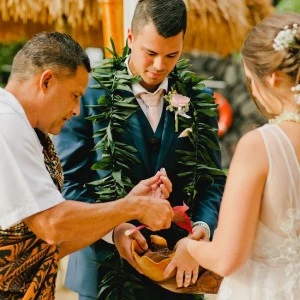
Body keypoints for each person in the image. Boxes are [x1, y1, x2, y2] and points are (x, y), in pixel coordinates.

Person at [53, 0, 226, 299]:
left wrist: (201, 230)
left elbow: (212, 182)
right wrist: (113, 228)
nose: (160, 65)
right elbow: (69, 184)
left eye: (172, 54)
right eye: (151, 53)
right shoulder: (88, 93)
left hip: (178, 274)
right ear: (131, 37)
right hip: (104, 277)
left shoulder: (200, 100)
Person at [0, 31, 175, 299]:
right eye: (74, 95)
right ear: (46, 81)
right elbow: (53, 225)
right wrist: (133, 207)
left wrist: (121, 214)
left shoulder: (25, 128)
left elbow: (49, 245)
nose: (77, 110)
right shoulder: (7, 124)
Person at [164, 12, 300, 299]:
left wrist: (190, 247)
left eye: (251, 80)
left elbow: (228, 258)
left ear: (273, 79)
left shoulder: (261, 145)